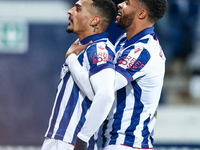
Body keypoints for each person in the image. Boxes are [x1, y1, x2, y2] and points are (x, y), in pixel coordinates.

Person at [65, 0, 168, 149]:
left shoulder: (143, 51)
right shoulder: (123, 41)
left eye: (127, 3)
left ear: (141, 13)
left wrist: (71, 59)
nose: (119, 4)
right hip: (115, 142)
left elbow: (101, 91)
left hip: (128, 144)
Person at [41, 0, 116, 150]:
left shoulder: (100, 49)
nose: (70, 11)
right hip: (59, 139)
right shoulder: (83, 48)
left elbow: (104, 95)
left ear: (95, 20)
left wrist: (71, 60)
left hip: (71, 142)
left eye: (77, 9)